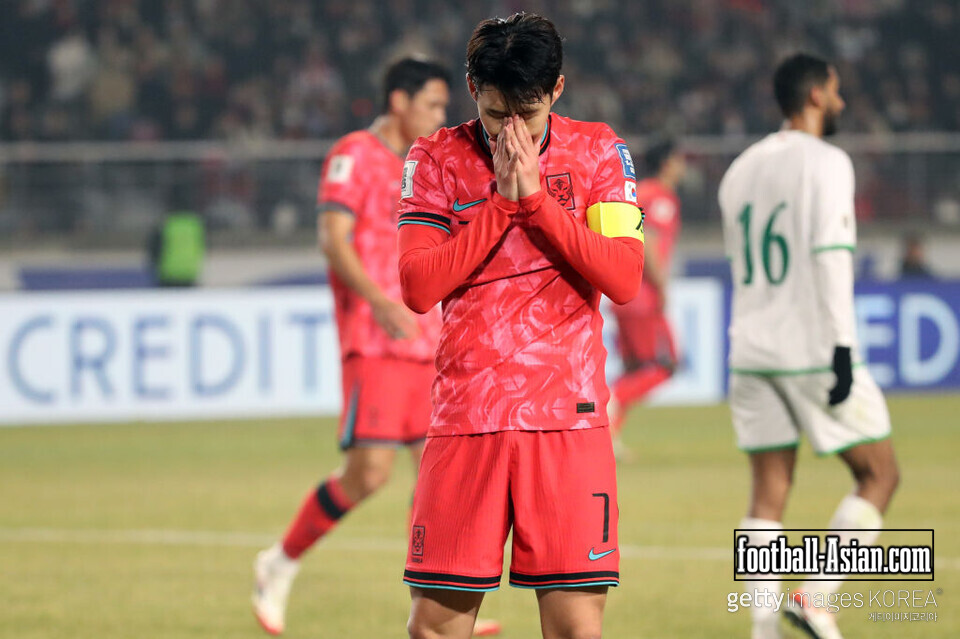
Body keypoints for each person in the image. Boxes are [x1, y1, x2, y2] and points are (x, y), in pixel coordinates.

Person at [396, 13, 644, 639]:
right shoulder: (434, 157)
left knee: (574, 630)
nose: (511, 134)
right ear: (471, 86)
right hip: (467, 417)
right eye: (495, 112)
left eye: (526, 116)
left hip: (568, 418)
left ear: (557, 91)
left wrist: (536, 204)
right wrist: (502, 206)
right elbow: (419, 287)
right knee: (434, 629)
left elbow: (623, 277)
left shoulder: (599, 151)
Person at [250, 58, 504, 637]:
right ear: (399, 101)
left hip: (428, 340)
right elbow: (332, 241)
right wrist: (381, 302)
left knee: (438, 481)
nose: (443, 116)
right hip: (375, 338)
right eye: (434, 105)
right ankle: (279, 562)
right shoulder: (354, 155)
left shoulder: (431, 163)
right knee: (368, 474)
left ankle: (438, 612)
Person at [719, 53, 899, 639]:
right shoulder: (826, 161)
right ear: (817, 95)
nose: (842, 104)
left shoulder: (739, 169)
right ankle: (815, 596)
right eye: (837, 92)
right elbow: (830, 255)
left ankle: (764, 633)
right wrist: (844, 346)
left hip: (749, 348)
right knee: (880, 474)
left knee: (768, 492)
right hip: (812, 346)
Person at [607, 139, 685, 459]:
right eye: (679, 160)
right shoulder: (660, 198)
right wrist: (663, 287)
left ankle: (609, 435)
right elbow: (649, 243)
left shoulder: (636, 193)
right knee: (665, 365)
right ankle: (611, 400)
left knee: (634, 365)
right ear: (667, 162)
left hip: (623, 291)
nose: (682, 168)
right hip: (644, 296)